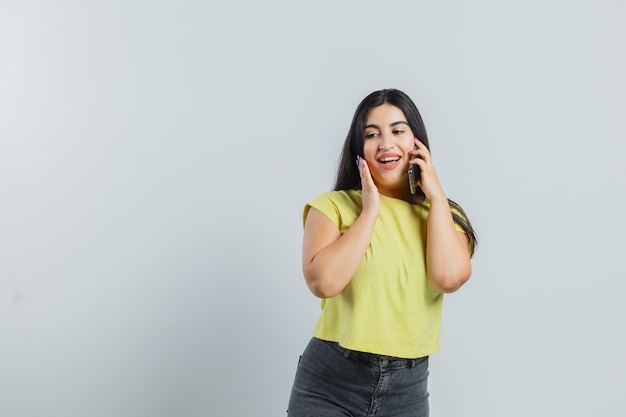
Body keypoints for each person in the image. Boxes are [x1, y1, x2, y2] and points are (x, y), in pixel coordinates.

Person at [286, 88, 478, 417]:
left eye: (398, 131)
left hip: (407, 392)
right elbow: (324, 283)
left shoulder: (443, 216)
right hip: (331, 384)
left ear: (417, 142)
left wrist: (436, 194)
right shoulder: (333, 207)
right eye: (372, 134)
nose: (386, 144)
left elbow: (447, 277)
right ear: (359, 147)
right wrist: (369, 212)